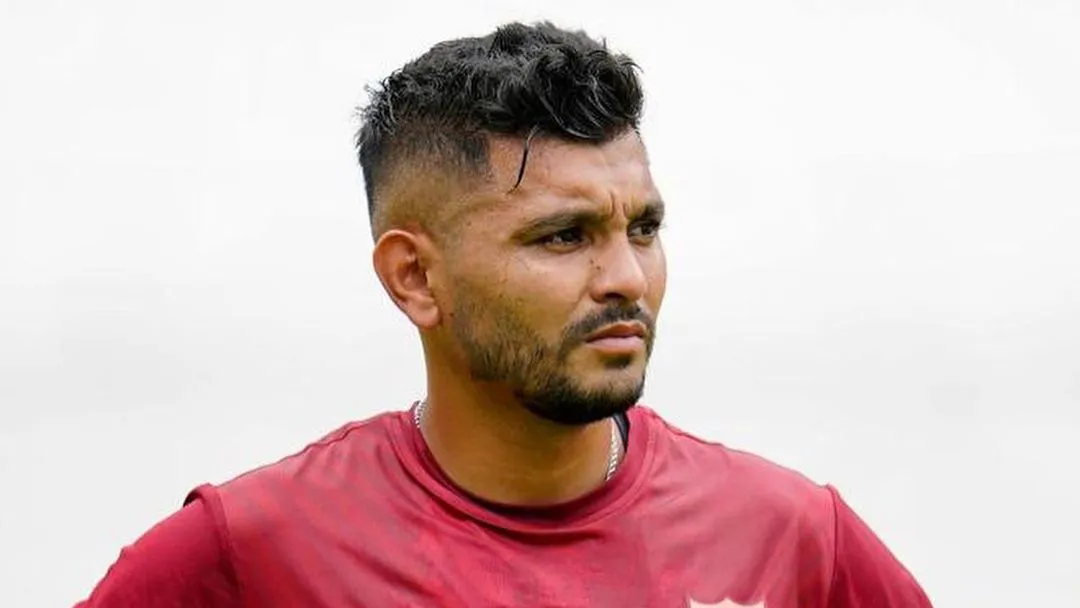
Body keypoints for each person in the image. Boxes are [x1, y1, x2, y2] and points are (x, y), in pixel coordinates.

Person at [76, 21, 933, 607]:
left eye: (643, 229)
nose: (626, 278)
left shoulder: (789, 538)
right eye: (563, 237)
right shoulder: (255, 550)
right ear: (415, 277)